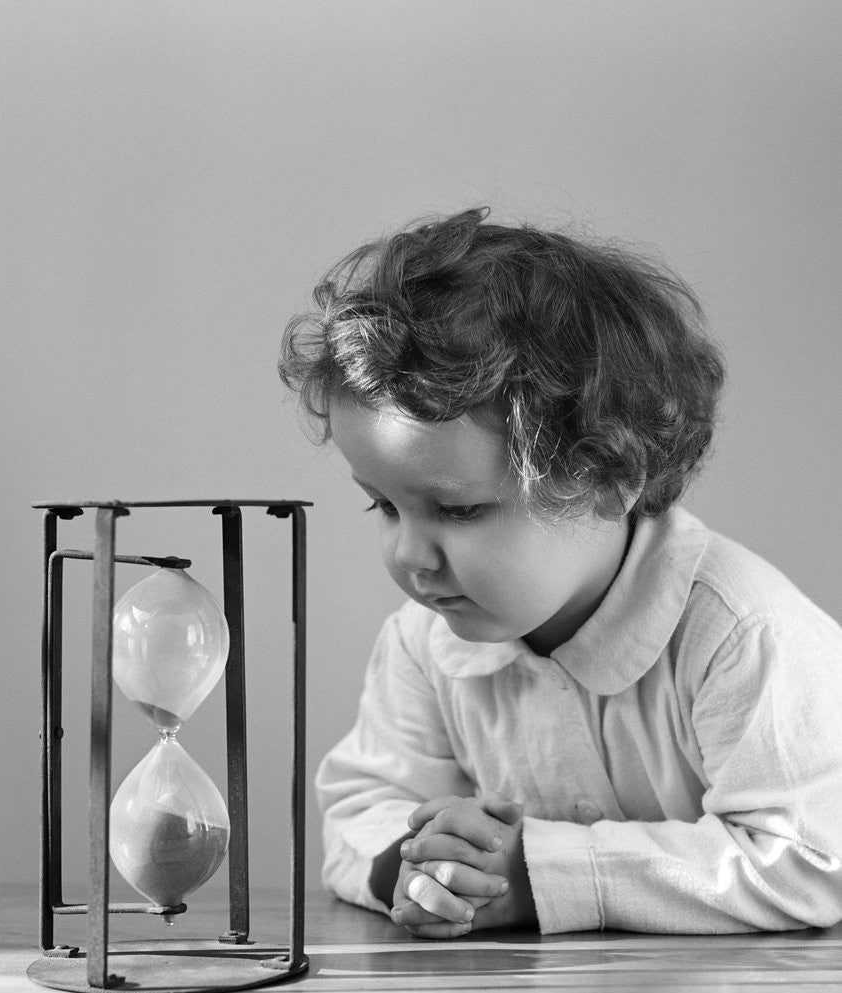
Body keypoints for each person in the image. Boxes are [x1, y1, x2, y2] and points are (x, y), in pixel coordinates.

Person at [278, 208, 842, 939]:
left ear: (610, 480)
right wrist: (419, 867)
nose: (411, 556)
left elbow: (808, 859)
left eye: (459, 510)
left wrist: (537, 876)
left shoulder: (745, 636)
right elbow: (363, 804)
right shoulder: (424, 642)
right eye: (384, 505)